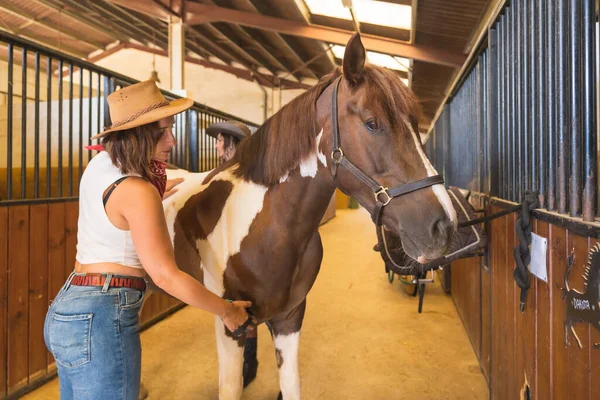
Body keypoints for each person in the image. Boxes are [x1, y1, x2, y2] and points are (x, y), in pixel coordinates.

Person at [43, 80, 255, 400]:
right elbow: (165, 275)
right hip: (103, 314)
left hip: (69, 307)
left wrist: (153, 193)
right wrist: (227, 311)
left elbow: (116, 214)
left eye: (170, 128)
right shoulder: (137, 191)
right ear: (137, 135)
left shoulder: (100, 165)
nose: (172, 139)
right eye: (161, 132)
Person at [206, 119, 258, 387]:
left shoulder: (231, 177)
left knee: (240, 307)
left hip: (238, 257)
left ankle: (245, 365)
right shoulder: (246, 174)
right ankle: (249, 361)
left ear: (230, 143)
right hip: (239, 256)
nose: (216, 144)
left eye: (219, 140)